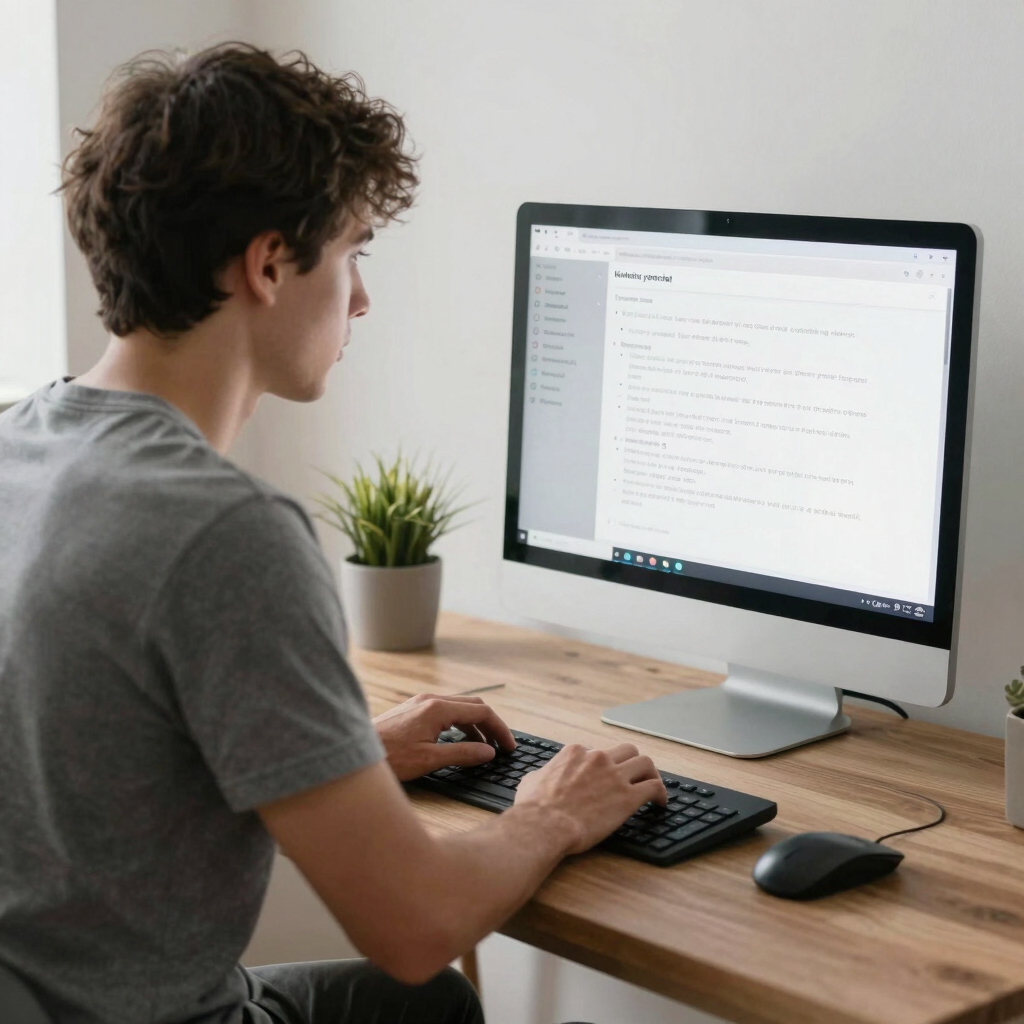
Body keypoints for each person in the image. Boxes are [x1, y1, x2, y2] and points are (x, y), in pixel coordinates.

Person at [0, 43, 666, 1024]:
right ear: (270, 264)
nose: (359, 298)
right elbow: (413, 925)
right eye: (352, 252)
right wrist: (553, 816)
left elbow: (88, 773)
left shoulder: (21, 442)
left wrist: (335, 754)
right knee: (424, 999)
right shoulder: (224, 533)